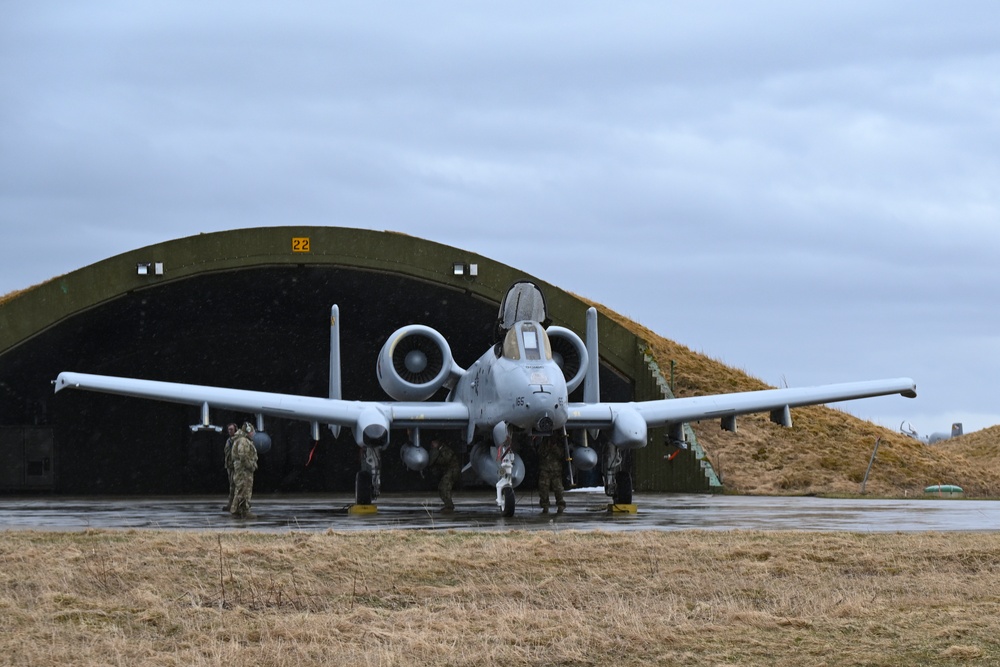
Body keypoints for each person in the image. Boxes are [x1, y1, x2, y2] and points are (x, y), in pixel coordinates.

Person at [230, 422, 259, 519]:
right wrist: (250, 466)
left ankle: (237, 510)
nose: (253, 433)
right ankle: (243, 511)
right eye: (252, 431)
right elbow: (243, 455)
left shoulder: (243, 440)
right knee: (244, 489)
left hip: (242, 469)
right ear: (248, 431)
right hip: (243, 470)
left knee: (241, 489)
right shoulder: (243, 441)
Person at [428, 437, 461, 512]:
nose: (433, 444)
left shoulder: (446, 450)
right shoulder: (440, 450)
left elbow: (445, 459)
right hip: (449, 471)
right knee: (442, 488)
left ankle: (449, 506)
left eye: (434, 442)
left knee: (444, 488)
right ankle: (448, 505)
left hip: (452, 471)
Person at [537, 434, 567, 514]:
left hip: (556, 470)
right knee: (543, 488)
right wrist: (547, 447)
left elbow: (561, 454)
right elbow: (540, 453)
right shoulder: (543, 443)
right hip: (545, 469)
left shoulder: (559, 443)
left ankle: (561, 505)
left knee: (558, 489)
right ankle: (545, 506)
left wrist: (554, 447)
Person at [222, 423, 238, 512]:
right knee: (231, 486)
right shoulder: (228, 440)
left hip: (235, 466)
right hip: (229, 466)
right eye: (229, 429)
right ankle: (231, 504)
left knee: (235, 486)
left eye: (231, 429)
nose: (230, 431)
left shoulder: (236, 440)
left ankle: (234, 505)